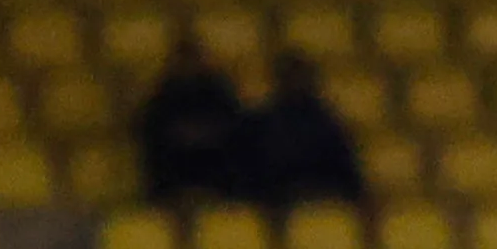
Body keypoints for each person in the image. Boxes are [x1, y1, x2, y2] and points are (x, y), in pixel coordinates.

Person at [235, 53, 363, 211]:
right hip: (277, 206)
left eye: (300, 77)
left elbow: (347, 177)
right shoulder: (262, 124)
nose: (296, 83)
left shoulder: (326, 126)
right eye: (291, 77)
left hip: (321, 205)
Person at [135, 32, 241, 204]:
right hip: (174, 179)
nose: (187, 66)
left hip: (216, 175)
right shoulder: (163, 96)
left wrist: (203, 134)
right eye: (183, 61)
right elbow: (151, 130)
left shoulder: (217, 92)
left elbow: (233, 128)